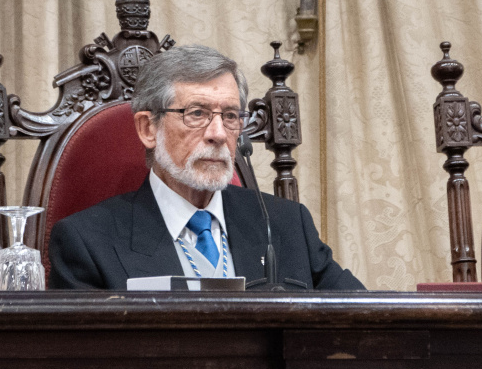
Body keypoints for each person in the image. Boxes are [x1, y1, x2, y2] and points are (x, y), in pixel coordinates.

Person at [48, 44, 365, 291]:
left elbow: (362, 319)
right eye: (197, 114)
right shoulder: (87, 242)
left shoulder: (287, 225)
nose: (218, 134)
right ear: (148, 129)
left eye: (230, 116)